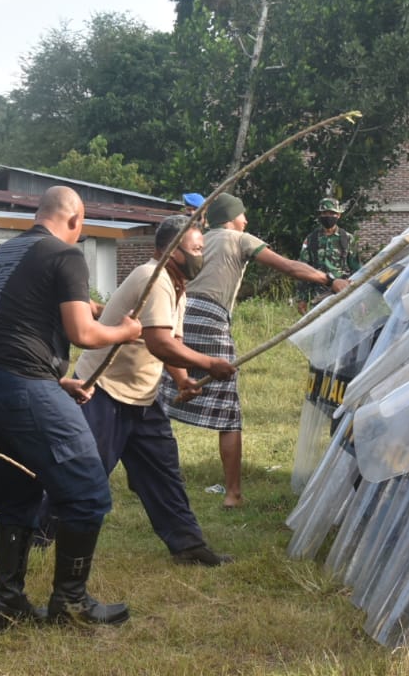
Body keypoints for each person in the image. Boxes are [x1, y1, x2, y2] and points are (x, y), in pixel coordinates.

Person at [0, 186, 142, 632]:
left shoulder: (6, 252)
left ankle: (8, 604)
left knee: (16, 498)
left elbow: (12, 325)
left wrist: (55, 380)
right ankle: (71, 603)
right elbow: (83, 332)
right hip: (20, 385)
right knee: (87, 492)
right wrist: (125, 330)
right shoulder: (65, 254)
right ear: (76, 221)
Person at [159, 193, 346, 508]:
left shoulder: (201, 238)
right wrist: (330, 280)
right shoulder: (239, 238)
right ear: (232, 217)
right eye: (243, 215)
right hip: (211, 319)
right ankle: (232, 494)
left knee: (163, 399)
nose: (246, 220)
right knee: (229, 414)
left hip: (179, 315)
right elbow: (289, 267)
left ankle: (151, 477)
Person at [73, 216, 237, 566]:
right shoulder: (155, 278)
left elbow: (171, 340)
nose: (200, 257)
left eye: (201, 250)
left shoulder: (177, 284)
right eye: (194, 249)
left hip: (142, 397)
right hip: (103, 391)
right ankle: (39, 535)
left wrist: (180, 379)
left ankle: (189, 547)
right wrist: (209, 365)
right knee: (85, 473)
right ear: (168, 250)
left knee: (163, 473)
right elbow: (160, 343)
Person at [295, 197, 361, 314]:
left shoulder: (347, 239)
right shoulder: (311, 239)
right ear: (320, 215)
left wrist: (360, 298)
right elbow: (303, 270)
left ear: (339, 215)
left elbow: (357, 269)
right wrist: (302, 299)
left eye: (332, 213)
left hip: (343, 293)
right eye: (325, 213)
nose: (328, 216)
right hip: (319, 297)